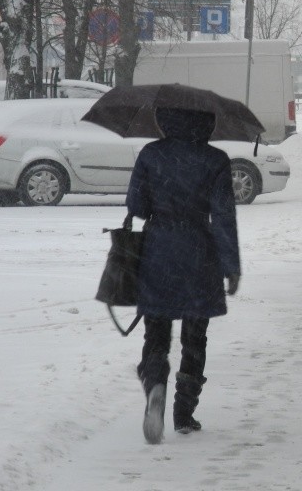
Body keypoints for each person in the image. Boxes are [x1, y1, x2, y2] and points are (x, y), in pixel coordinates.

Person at [126, 107, 241, 444]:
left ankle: (155, 382)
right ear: (208, 123)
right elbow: (223, 216)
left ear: (165, 121)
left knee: (156, 332)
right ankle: (184, 412)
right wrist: (231, 267)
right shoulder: (216, 159)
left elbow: (136, 206)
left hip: (158, 249)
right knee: (195, 337)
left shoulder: (151, 154)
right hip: (199, 253)